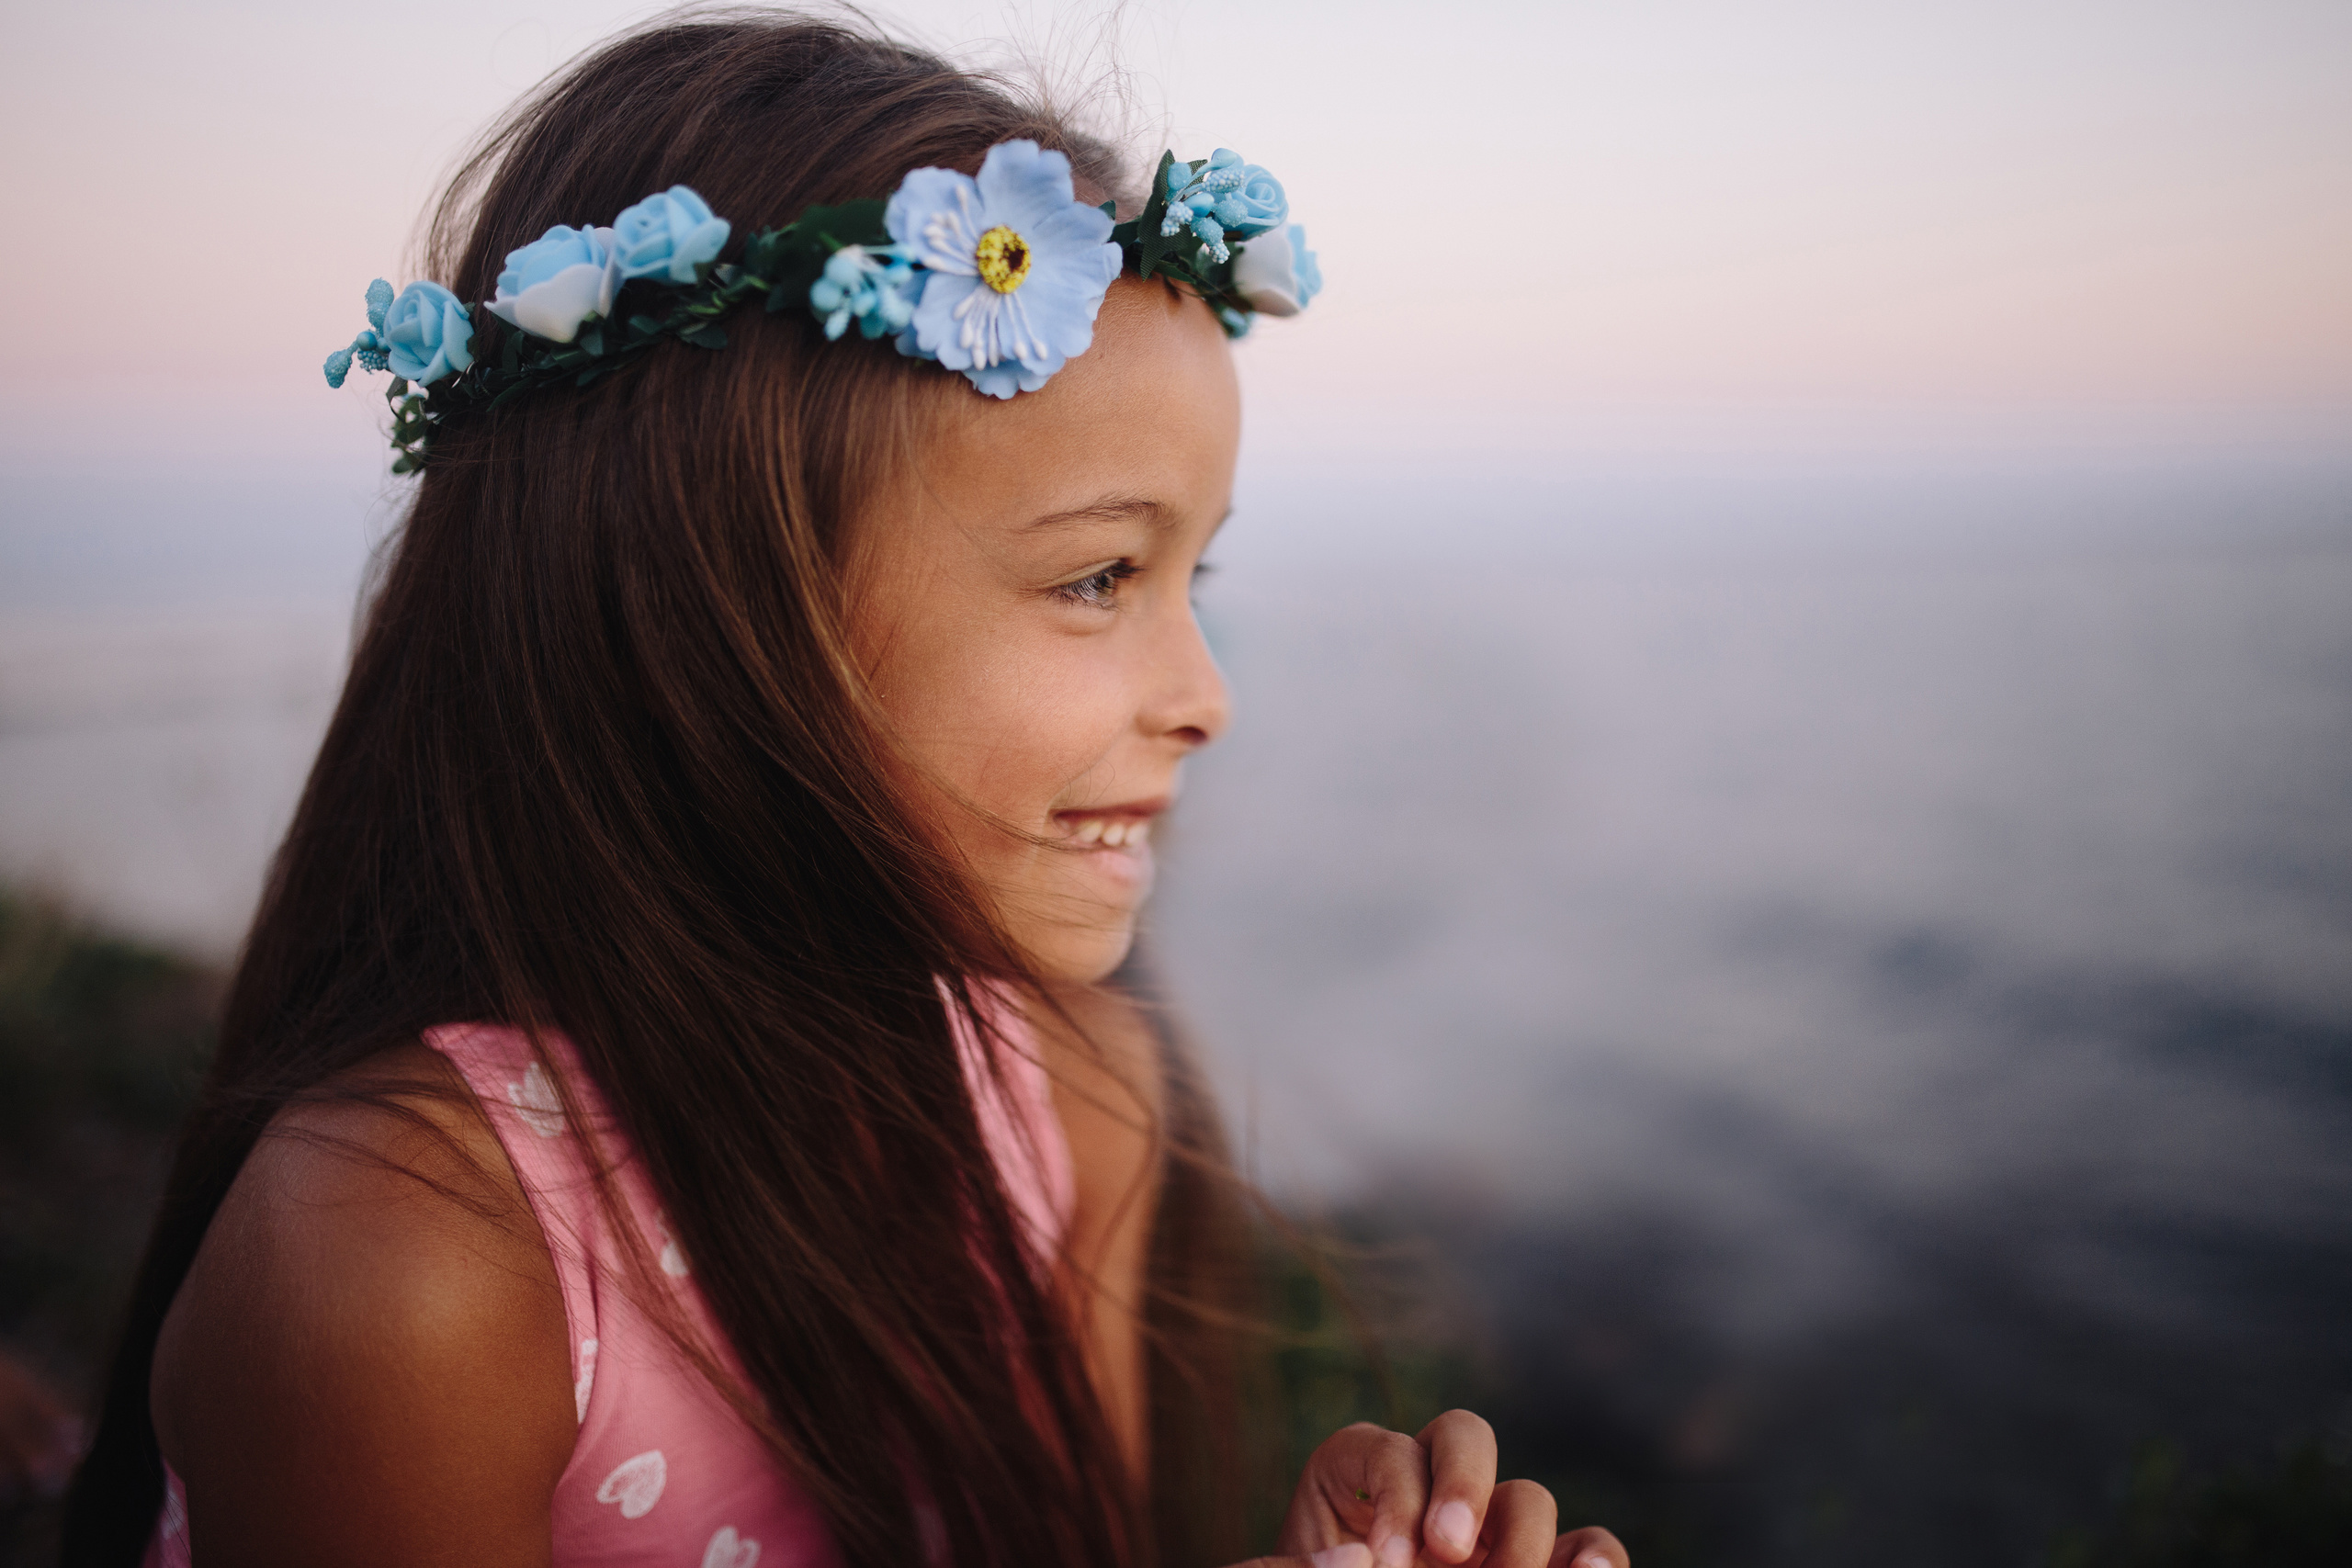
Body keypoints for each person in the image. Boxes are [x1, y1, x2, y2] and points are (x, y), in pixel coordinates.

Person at [62, 15, 1629, 1568]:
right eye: (1098, 576)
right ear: (701, 606)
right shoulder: (409, 1270)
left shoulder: (1071, 1095)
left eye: (1189, 575)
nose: (1206, 697)